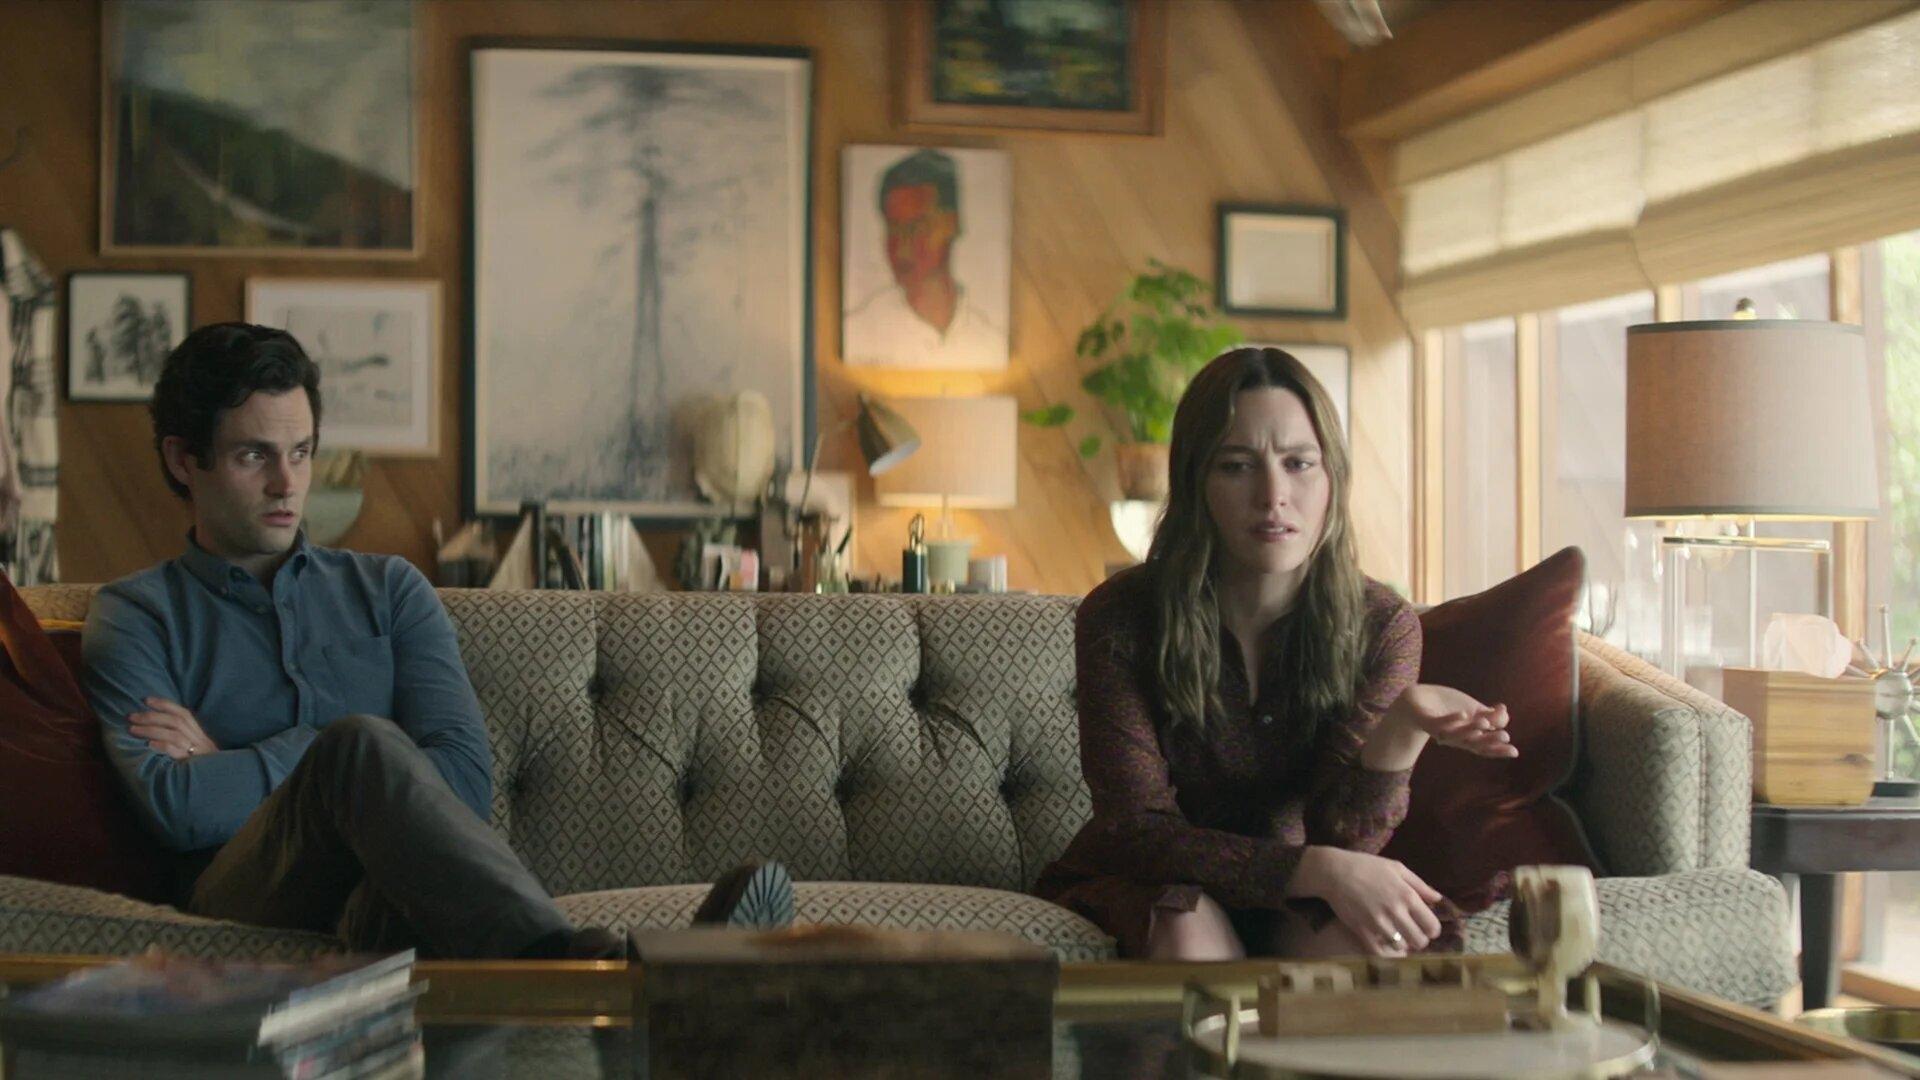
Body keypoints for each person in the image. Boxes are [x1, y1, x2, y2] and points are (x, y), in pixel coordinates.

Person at [82, 322, 791, 959]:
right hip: (242, 893)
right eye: (252, 457)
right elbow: (178, 808)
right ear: (184, 460)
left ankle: (632, 981)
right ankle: (577, 964)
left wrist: (234, 762)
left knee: (394, 881)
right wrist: (328, 759)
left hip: (391, 894)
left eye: (300, 452)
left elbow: (466, 784)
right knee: (357, 745)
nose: (286, 483)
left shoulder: (390, 590)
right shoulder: (136, 615)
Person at [1035, 346, 1515, 960]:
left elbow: (1344, 839)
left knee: (1368, 943)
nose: (1273, 495)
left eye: (1299, 463)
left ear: (1332, 477)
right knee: (1188, 929)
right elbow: (1133, 828)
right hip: (1158, 880)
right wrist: (1314, 871)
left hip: (1300, 887)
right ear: (1195, 482)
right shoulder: (1120, 614)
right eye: (1237, 466)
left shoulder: (1382, 624)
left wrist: (1403, 727)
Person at [842, 147, 1005, 369]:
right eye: (893, 229)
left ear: (951, 224)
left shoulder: (990, 340)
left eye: (917, 228)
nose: (902, 249)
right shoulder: (859, 330)